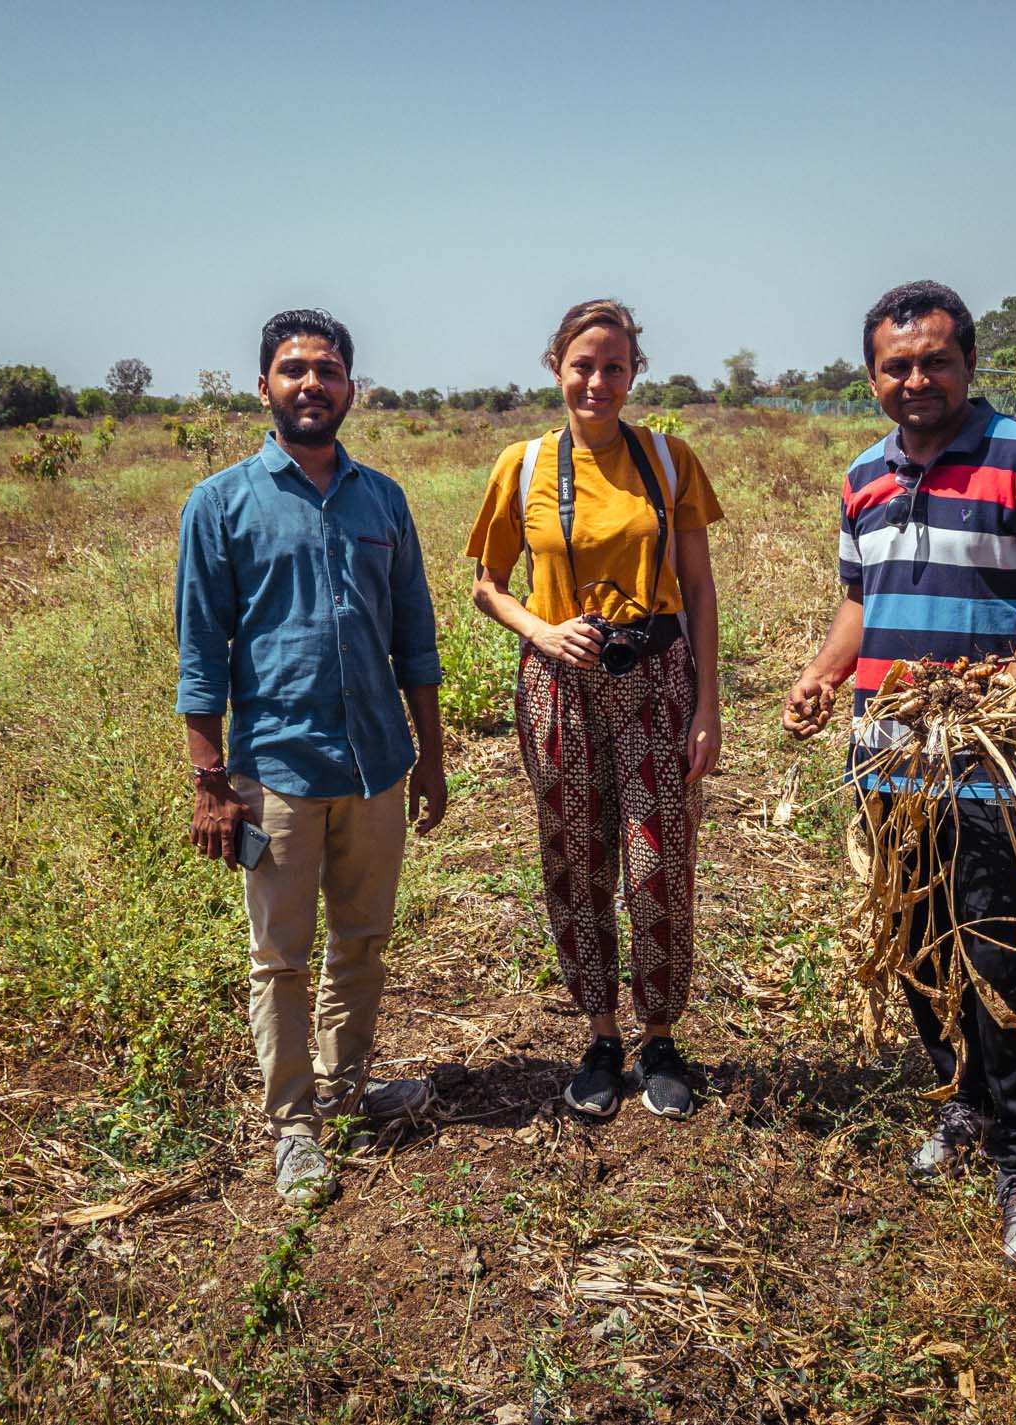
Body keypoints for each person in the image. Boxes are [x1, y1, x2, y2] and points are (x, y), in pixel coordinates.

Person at [782, 281, 1016, 1270]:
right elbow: (857, 605)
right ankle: (960, 1099)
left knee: (1000, 959)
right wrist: (822, 676)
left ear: (967, 362)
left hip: (993, 764)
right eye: (895, 365)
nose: (914, 381)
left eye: (933, 362)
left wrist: (994, 693)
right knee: (914, 942)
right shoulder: (863, 475)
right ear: (871, 373)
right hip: (889, 761)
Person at [175, 308, 447, 1209]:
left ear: (350, 391)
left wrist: (431, 757)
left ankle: (349, 1088)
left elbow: (416, 637)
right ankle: (294, 1124)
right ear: (264, 387)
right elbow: (199, 651)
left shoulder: (383, 500)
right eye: (293, 370)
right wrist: (212, 784)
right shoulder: (220, 504)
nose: (311, 385)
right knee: (281, 958)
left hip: (375, 766)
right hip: (275, 772)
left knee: (362, 942)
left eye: (327, 371)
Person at [467, 299, 724, 1121]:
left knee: (657, 866)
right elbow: (486, 586)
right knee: (577, 860)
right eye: (583, 364)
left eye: (614, 366)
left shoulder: (669, 460)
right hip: (560, 687)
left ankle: (660, 1037)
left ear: (634, 373)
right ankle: (602, 1034)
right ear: (555, 367)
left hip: (655, 680)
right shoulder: (524, 466)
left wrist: (708, 702)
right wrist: (544, 631)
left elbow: (702, 588)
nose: (597, 381)